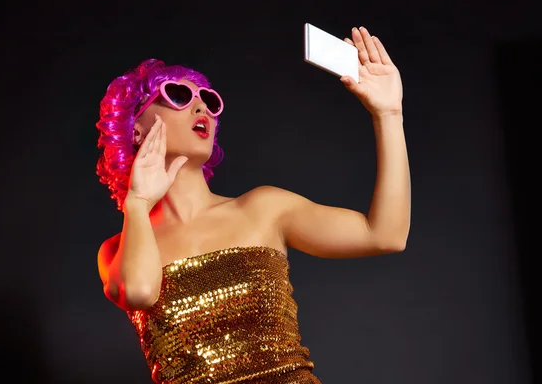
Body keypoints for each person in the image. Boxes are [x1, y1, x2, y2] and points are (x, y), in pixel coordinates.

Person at [96, 26, 410, 383]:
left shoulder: (264, 208)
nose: (201, 105)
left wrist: (389, 116)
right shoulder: (116, 252)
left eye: (209, 100)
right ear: (134, 128)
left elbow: (385, 234)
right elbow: (138, 291)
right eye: (178, 94)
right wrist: (137, 203)